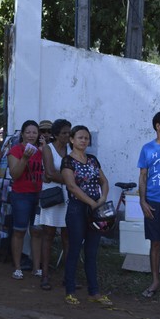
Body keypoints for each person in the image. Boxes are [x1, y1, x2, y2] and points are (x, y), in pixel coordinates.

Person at [61, 125, 112, 306]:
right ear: (72, 140)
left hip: (96, 209)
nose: (84, 141)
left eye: (86, 138)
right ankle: (70, 291)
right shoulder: (68, 161)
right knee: (74, 248)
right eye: (80, 137)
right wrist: (92, 203)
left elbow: (104, 181)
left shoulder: (92, 160)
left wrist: (103, 197)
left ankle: (94, 292)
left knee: (91, 251)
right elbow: (71, 186)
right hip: (77, 208)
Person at [36, 119, 72, 290]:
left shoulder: (71, 149)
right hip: (53, 194)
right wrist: (72, 180)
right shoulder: (48, 149)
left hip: (68, 195)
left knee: (67, 236)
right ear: (56, 134)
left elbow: (52, 174)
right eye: (64, 133)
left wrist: (64, 179)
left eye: (68, 132)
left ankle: (68, 276)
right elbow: (49, 172)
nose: (67, 135)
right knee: (48, 234)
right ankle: (44, 276)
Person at [7, 120, 43, 280]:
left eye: (34, 132)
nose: (31, 135)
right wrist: (25, 159)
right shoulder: (15, 150)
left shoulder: (42, 151)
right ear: (22, 134)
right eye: (28, 132)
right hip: (21, 194)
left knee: (36, 231)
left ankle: (37, 267)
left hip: (39, 195)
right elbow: (14, 175)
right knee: (19, 231)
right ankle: (17, 267)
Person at [137, 111, 160, 298]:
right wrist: (142, 201)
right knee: (155, 243)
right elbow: (143, 176)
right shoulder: (147, 149)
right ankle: (155, 281)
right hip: (154, 202)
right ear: (158, 126)